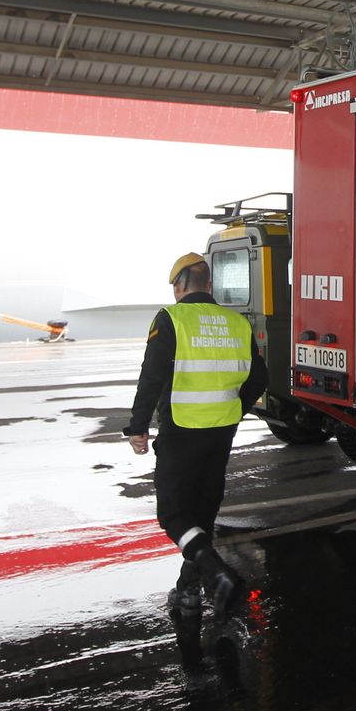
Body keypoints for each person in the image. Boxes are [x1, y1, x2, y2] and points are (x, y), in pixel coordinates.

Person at [124, 252, 270, 628]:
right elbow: (259, 379)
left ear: (179, 285)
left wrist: (137, 427)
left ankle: (218, 575)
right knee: (203, 511)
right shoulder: (236, 322)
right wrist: (235, 409)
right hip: (221, 430)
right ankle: (188, 590)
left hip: (182, 429)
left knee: (173, 513)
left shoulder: (171, 319)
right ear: (209, 284)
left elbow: (152, 376)